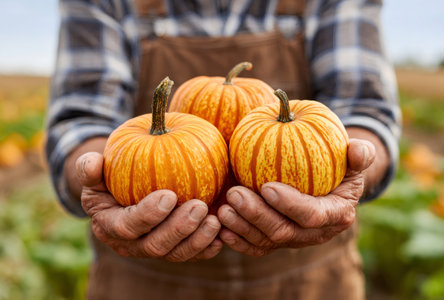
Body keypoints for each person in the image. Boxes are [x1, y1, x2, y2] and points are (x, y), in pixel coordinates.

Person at [46, 0, 401, 299]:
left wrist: (351, 171)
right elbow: (83, 120)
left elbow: (365, 110)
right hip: (144, 279)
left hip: (309, 279)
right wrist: (98, 176)